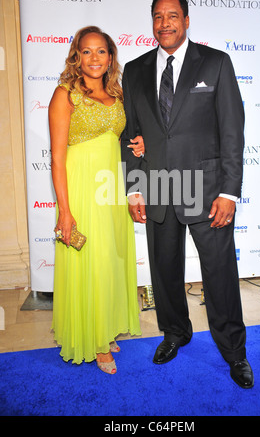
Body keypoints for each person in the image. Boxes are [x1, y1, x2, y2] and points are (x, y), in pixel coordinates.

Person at [121, 0, 254, 388]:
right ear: (152, 22)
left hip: (207, 190)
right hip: (158, 186)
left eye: (173, 15)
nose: (165, 23)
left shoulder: (215, 64)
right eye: (158, 16)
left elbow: (232, 131)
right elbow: (132, 133)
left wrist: (230, 192)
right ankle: (174, 332)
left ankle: (235, 352)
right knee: (164, 272)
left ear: (186, 20)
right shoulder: (135, 69)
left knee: (220, 275)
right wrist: (133, 187)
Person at [49, 26, 143, 374]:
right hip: (82, 188)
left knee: (110, 260)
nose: (94, 58)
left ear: (110, 57)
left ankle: (105, 325)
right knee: (93, 261)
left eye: (101, 51)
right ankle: (95, 342)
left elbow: (120, 139)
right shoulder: (65, 95)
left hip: (112, 188)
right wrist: (65, 211)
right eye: (86, 51)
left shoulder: (118, 93)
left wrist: (139, 143)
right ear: (77, 55)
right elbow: (58, 158)